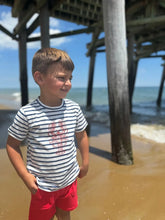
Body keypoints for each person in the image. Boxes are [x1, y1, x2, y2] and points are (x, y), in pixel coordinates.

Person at [6, 48, 89, 220]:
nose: (68, 83)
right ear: (40, 78)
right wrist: (25, 176)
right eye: (61, 78)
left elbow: (81, 135)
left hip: (69, 178)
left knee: (65, 214)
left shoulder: (73, 109)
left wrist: (85, 162)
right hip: (42, 185)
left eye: (70, 78)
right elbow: (12, 145)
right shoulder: (27, 114)